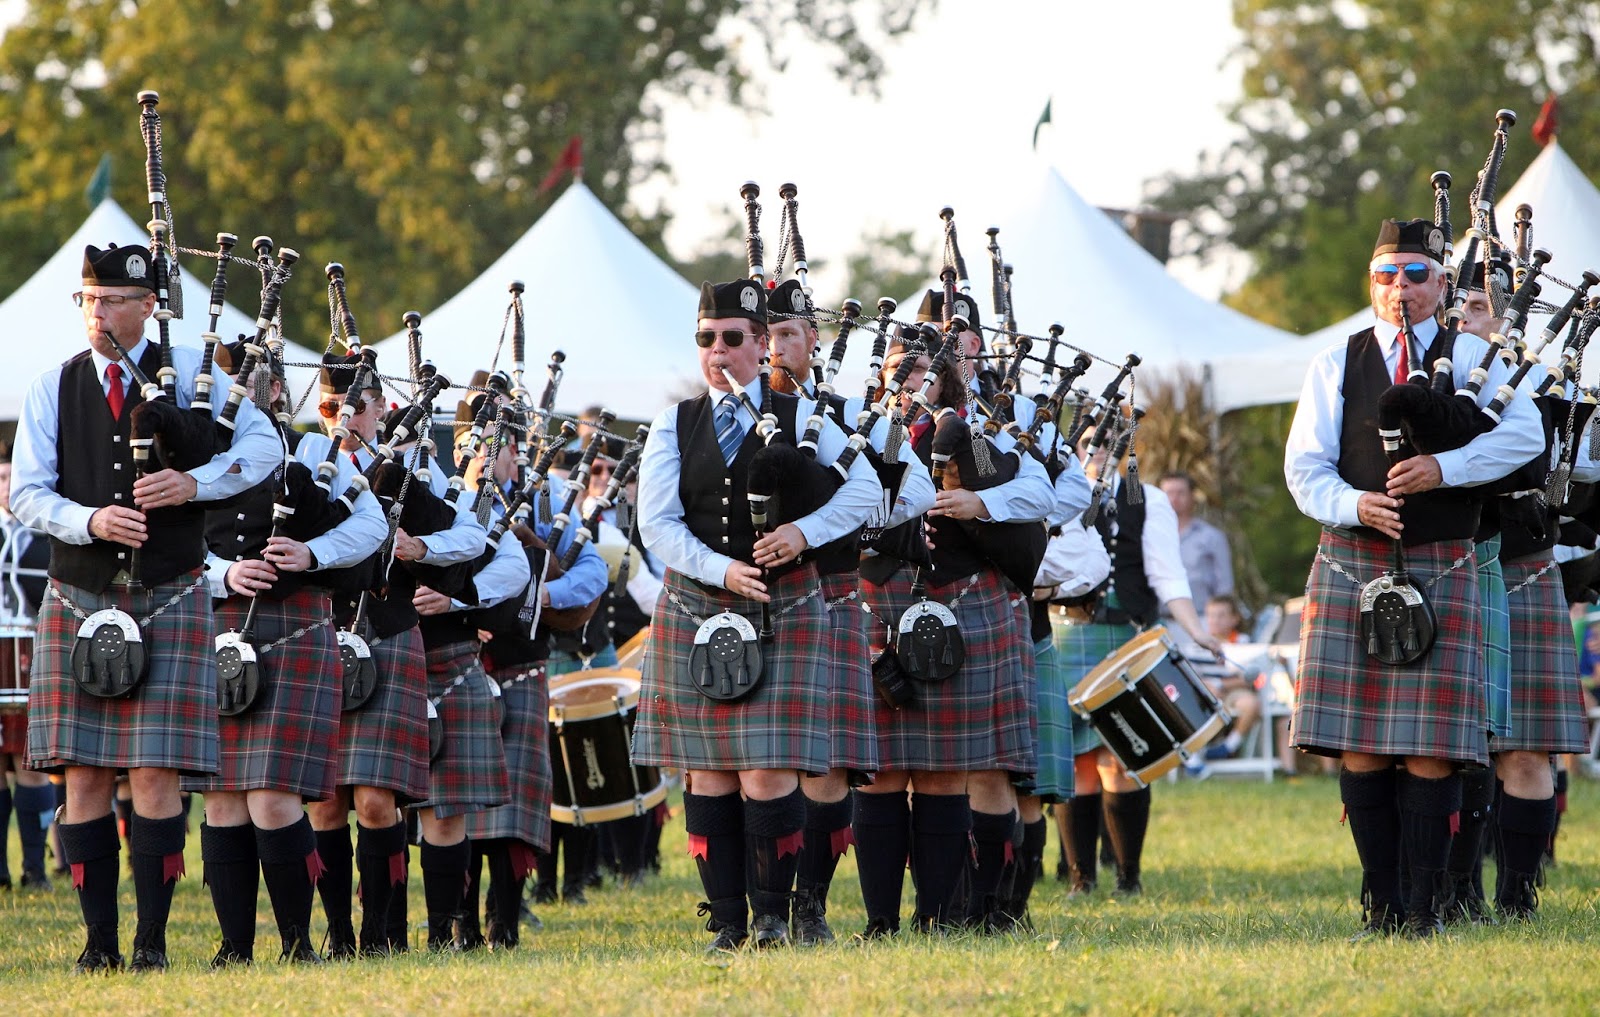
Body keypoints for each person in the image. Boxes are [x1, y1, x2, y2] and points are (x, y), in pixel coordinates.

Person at [11, 243, 280, 971]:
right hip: (82, 591)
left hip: (170, 589)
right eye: (87, 300)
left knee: (158, 771)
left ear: (147, 306)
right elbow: (27, 491)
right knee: (85, 774)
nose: (97, 313)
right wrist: (90, 520)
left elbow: (263, 449)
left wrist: (197, 485)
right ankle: (98, 942)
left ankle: (151, 942)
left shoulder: (196, 373)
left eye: (112, 300)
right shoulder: (52, 386)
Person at [1284, 218, 1542, 939]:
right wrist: (1353, 503)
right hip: (1352, 556)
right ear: (1373, 283)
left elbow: (1526, 436)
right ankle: (1384, 900)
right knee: (1362, 742)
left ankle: (1424, 906)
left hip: (1445, 557)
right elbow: (1304, 466)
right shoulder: (1337, 361)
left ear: (1442, 283)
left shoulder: (1474, 360)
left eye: (1417, 274)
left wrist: (1445, 469)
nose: (1402, 287)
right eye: (1388, 273)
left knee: (1431, 746)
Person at [634, 278, 879, 951]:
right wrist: (723, 570)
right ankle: (728, 923)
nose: (717, 351)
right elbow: (654, 521)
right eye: (706, 339)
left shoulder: (805, 416)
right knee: (708, 769)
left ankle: (774, 918)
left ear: (759, 342)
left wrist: (805, 533)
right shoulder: (673, 423)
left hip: (787, 603)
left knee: (768, 769)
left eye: (732, 337)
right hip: (698, 602)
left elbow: (865, 491)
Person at [850, 322, 1055, 936]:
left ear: (945, 376)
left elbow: (1042, 489)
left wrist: (979, 505)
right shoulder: (854, 427)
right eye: (898, 369)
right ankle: (883, 920)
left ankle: (974, 910)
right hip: (881, 603)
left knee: (967, 765)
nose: (909, 380)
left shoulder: (980, 429)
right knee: (882, 768)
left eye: (921, 371)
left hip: (967, 603)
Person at [189, 347, 387, 966]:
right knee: (221, 798)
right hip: (218, 626)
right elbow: (167, 544)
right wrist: (222, 574)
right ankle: (234, 948)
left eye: (253, 387)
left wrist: (313, 555)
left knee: (272, 797)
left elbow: (372, 524)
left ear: (277, 392)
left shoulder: (311, 454)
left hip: (295, 626)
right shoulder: (198, 461)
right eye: (231, 389)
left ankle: (299, 943)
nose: (241, 397)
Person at [303, 350, 481, 957]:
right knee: (325, 803)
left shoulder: (408, 476)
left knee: (377, 801)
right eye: (331, 407)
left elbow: (472, 536)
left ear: (382, 409)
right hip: (319, 633)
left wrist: (418, 545)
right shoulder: (305, 462)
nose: (342, 418)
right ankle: (340, 936)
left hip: (388, 634)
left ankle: (381, 932)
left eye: (356, 407)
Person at [1449, 256, 1592, 923]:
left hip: (1522, 566)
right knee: (1452, 748)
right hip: (1445, 569)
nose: (1462, 319)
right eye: (1456, 309)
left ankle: (1518, 897)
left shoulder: (1544, 384)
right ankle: (1457, 891)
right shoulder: (1430, 378)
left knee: (1526, 747)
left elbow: (1584, 483)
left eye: (1475, 307)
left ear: (1509, 315)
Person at [455, 392, 606, 950]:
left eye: (504, 445)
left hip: (521, 669)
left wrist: (538, 593)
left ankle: (506, 920)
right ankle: (460, 921)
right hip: (459, 667)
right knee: (459, 802)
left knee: (515, 808)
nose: (496, 454)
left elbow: (591, 574)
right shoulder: (444, 502)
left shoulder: (544, 507)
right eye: (479, 443)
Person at [1054, 420, 1222, 898]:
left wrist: (1196, 631)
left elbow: (1168, 576)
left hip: (1127, 636)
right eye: (1089, 443)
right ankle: (1080, 880)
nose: (1098, 451)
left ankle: (1128, 878)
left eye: (1108, 444)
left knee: (1124, 756)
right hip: (1065, 635)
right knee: (1076, 762)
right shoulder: (1053, 492)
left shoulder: (1146, 500)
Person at [0, 441, 53, 891]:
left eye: (9, 478)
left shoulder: (45, 533)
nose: (4, 488)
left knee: (30, 761)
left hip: (31, 650)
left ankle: (35, 868)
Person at [1157, 471, 1234, 614]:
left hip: (1202, 619)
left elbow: (1225, 585)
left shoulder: (1211, 536)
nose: (1174, 499)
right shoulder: (1150, 537)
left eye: (1180, 493)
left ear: (1193, 496)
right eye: (1169, 493)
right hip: (1160, 621)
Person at [1198, 595, 1264, 760]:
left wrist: (1220, 684)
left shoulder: (1244, 643)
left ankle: (1229, 746)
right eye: (1211, 615)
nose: (1215, 620)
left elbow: (1250, 678)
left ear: (1235, 619)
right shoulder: (1197, 644)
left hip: (1235, 693)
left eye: (1221, 615)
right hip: (1206, 695)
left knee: (1251, 703)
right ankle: (1196, 753)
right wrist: (1209, 686)